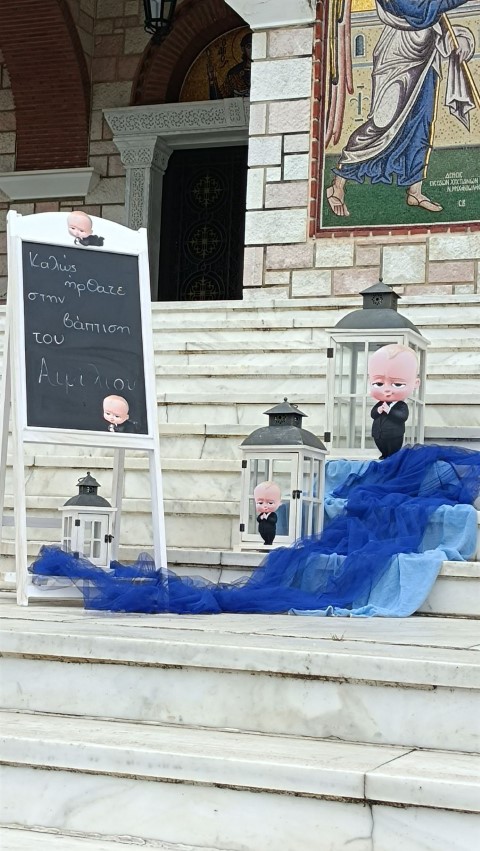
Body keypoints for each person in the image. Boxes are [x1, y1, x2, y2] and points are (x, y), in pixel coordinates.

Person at [326, 0, 476, 217]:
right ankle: (338, 183)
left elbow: (436, 20)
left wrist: (461, 39)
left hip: (425, 56)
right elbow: (418, 12)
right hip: (397, 56)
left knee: (421, 123)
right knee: (382, 122)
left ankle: (415, 190)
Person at [368, 344, 420, 459]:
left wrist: (389, 411)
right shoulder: (380, 404)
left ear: (415, 383)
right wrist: (378, 410)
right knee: (381, 446)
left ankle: (392, 456)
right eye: (379, 384)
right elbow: (373, 414)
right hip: (379, 433)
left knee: (392, 448)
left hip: (394, 434)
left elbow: (402, 416)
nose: (386, 389)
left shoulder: (401, 405)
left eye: (397, 384)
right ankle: (384, 454)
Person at [254, 481, 282, 545]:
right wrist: (261, 518)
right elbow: (258, 519)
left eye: (270, 503)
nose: (265, 506)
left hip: (270, 530)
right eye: (260, 503)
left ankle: (269, 542)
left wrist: (267, 518)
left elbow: (274, 520)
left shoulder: (273, 514)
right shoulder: (262, 514)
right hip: (262, 530)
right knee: (263, 536)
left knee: (269, 537)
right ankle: (266, 541)